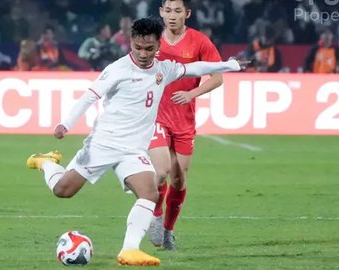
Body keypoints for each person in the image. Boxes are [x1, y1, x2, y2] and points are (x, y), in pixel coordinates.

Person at [26, 17, 245, 266]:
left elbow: (196, 68)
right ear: (131, 42)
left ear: (158, 46)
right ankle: (46, 162)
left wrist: (231, 65)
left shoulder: (164, 69)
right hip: (103, 145)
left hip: (133, 150)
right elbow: (89, 97)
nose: (142, 53)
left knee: (149, 193)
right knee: (62, 191)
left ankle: (129, 250)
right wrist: (66, 123)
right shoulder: (118, 69)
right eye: (138, 47)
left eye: (149, 48)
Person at [147, 0, 224, 251]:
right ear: (161, 12)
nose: (172, 16)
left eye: (177, 11)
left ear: (187, 14)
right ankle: (156, 215)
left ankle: (168, 230)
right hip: (156, 117)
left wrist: (193, 94)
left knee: (179, 180)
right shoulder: (152, 38)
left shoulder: (200, 41)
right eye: (167, 11)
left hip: (184, 120)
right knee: (160, 172)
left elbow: (218, 77)